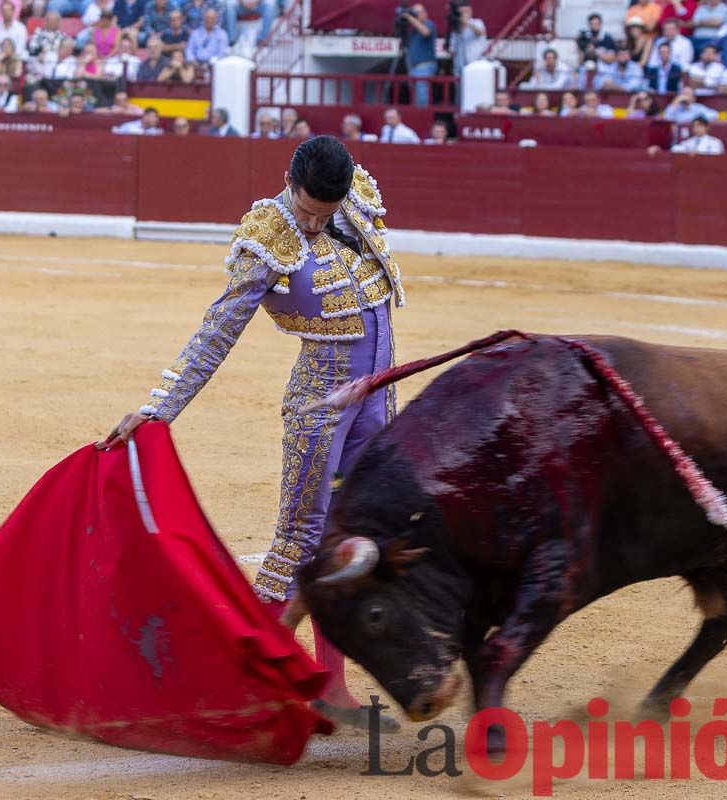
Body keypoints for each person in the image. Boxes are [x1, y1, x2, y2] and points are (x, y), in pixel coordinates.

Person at [106, 136, 406, 732]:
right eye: (308, 210)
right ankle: (248, 680)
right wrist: (161, 407)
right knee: (302, 536)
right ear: (289, 181)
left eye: (327, 211)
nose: (317, 222)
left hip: (376, 397)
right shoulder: (268, 235)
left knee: (362, 533)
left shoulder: (355, 201)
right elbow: (218, 329)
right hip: (320, 402)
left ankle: (332, 683)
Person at [401, 3, 437, 107]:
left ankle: (423, 114)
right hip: (414, 66)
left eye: (417, 12)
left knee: (422, 94)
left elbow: (425, 32)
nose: (415, 15)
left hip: (424, 65)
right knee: (415, 94)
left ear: (425, 13)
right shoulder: (413, 29)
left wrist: (409, 17)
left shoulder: (428, 23)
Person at [449, 3, 486, 77]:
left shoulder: (477, 22)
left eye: (466, 11)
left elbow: (479, 32)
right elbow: (452, 49)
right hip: (460, 67)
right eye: (461, 12)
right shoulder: (456, 29)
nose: (464, 14)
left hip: (475, 65)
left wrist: (467, 23)